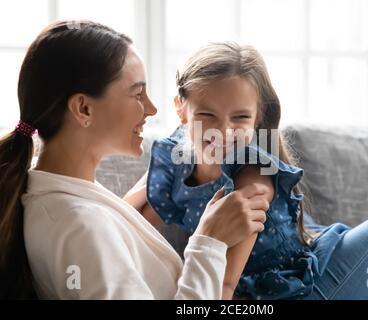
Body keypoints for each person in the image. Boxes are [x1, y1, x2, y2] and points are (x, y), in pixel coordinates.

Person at [144, 42, 368, 300]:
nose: (223, 131)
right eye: (208, 115)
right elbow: (123, 219)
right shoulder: (174, 155)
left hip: (313, 261)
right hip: (307, 289)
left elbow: (223, 286)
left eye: (240, 117)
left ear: (258, 118)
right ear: (181, 109)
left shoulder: (252, 175)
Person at [0, 21, 270, 299]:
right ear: (83, 109)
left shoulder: (69, 198)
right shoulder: (80, 226)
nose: (152, 109)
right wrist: (209, 242)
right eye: (137, 93)